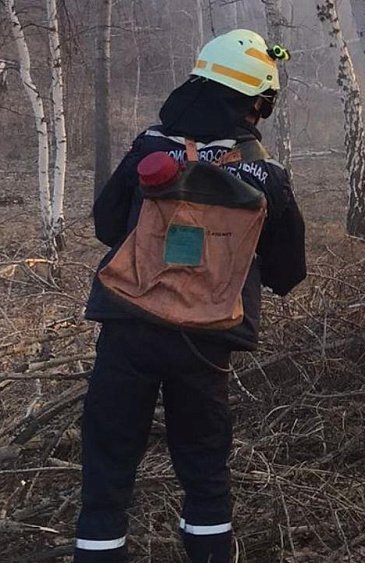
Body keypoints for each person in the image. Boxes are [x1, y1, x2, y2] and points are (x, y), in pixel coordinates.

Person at [75, 30, 306, 562]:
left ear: (199, 82)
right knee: (204, 467)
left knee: (108, 464)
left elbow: (108, 225)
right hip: (206, 339)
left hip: (128, 324)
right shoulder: (266, 173)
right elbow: (288, 272)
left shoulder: (150, 147)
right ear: (258, 100)